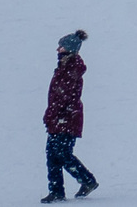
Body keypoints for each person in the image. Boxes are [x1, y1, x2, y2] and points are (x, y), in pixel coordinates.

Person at [42, 30, 98, 201]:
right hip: (60, 118)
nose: (58, 49)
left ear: (69, 49)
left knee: (62, 153)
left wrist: (53, 114)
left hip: (65, 118)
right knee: (53, 154)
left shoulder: (71, 69)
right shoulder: (64, 68)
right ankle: (57, 191)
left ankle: (87, 180)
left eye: (61, 46)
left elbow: (63, 96)